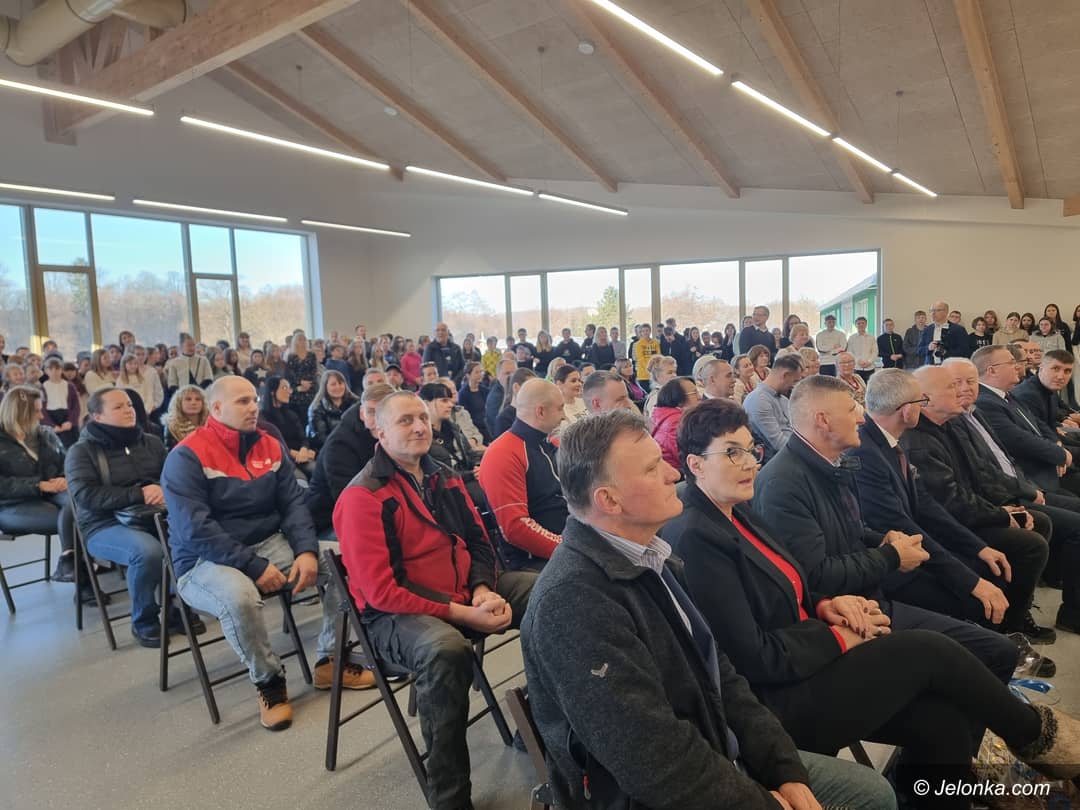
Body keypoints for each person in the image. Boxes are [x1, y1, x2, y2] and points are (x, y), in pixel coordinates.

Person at [663, 398, 1080, 808]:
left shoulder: (736, 508)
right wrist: (838, 636)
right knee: (928, 650)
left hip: (806, 654)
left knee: (944, 722)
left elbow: (793, 583)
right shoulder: (698, 536)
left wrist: (827, 606)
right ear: (695, 464)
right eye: (731, 453)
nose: (749, 462)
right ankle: (1040, 739)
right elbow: (750, 658)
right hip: (776, 700)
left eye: (749, 449)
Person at [522, 409, 900, 810]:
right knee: (871, 796)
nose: (673, 474)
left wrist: (782, 768)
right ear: (609, 500)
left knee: (872, 792)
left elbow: (721, 677)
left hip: (717, 753)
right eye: (653, 468)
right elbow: (653, 761)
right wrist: (763, 802)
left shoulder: (655, 560)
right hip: (662, 793)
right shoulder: (572, 603)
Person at [334, 391, 536, 810]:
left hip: (464, 593)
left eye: (423, 418)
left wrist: (482, 590)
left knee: (547, 595)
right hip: (392, 615)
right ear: (380, 432)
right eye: (405, 421)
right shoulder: (362, 496)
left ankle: (537, 720)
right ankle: (450, 798)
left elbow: (480, 543)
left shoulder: (442, 475)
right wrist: (464, 612)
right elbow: (382, 591)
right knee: (446, 650)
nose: (419, 427)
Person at [752, 375, 1019, 684]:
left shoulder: (830, 463)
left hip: (867, 594)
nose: (861, 416)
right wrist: (891, 555)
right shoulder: (784, 483)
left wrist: (882, 540)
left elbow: (851, 530)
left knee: (991, 640)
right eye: (851, 408)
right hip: (848, 613)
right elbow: (816, 575)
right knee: (994, 650)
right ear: (823, 420)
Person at [162, 377, 370, 731]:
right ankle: (269, 682)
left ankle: (330, 660)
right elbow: (195, 529)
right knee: (240, 598)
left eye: (254, 400)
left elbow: (294, 506)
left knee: (345, 562)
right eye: (242, 401)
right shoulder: (186, 456)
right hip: (202, 560)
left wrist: (306, 550)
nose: (253, 408)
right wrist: (255, 566)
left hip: (268, 543)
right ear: (217, 409)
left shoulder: (269, 445)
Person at [863, 368, 1054, 645]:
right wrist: (970, 581)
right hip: (892, 562)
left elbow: (926, 504)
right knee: (979, 592)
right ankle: (1000, 645)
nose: (858, 418)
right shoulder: (873, 451)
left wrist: (978, 547)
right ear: (907, 410)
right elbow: (902, 522)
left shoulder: (890, 442)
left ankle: (1005, 640)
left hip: (916, 542)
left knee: (992, 567)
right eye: (920, 401)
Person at [65, 388, 197, 648]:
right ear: (97, 416)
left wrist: (162, 489)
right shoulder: (81, 452)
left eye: (129, 405)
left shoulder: (151, 442)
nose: (129, 410)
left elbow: (173, 478)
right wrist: (140, 493)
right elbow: (85, 496)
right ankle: (144, 619)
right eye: (118, 407)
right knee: (147, 552)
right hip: (103, 524)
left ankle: (175, 605)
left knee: (192, 536)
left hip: (154, 516)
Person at [478, 379, 567, 572]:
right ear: (541, 412)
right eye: (560, 408)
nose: (564, 416)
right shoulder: (502, 454)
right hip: (535, 562)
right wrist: (569, 548)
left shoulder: (549, 444)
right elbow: (516, 528)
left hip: (567, 543)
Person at [0, 385, 78, 595]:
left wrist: (63, 478)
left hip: (52, 494)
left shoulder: (44, 434)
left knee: (82, 505)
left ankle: (71, 562)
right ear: (18, 413)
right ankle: (85, 576)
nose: (41, 416)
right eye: (36, 411)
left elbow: (66, 462)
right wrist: (38, 485)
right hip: (12, 505)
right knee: (75, 518)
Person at [973, 345, 1080, 496]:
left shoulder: (1006, 395)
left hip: (1046, 466)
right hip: (1031, 477)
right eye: (1011, 363)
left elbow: (1039, 425)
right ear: (992, 370)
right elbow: (1019, 439)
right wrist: (1060, 453)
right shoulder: (985, 402)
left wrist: (1057, 446)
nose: (1017, 366)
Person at [305, 384, 393, 533]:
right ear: (362, 413)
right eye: (371, 412)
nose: (378, 420)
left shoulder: (389, 435)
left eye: (385, 413)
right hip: (328, 520)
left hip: (374, 509)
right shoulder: (340, 445)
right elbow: (349, 501)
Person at [742, 353, 803, 462]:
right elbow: (778, 443)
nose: (794, 386)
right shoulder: (759, 400)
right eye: (794, 381)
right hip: (777, 460)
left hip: (791, 454)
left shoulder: (782, 399)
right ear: (785, 375)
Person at [259, 375, 315, 479]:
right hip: (281, 460)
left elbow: (303, 437)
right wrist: (294, 453)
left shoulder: (291, 414)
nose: (289, 391)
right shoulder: (263, 418)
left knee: (318, 469)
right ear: (272, 392)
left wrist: (304, 449)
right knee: (301, 478)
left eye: (289, 388)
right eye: (284, 388)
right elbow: (272, 445)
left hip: (300, 456)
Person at [418, 382, 480, 473]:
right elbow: (440, 474)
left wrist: (478, 466)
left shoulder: (453, 428)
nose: (451, 405)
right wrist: (472, 474)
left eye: (450, 401)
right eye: (444, 401)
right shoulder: (422, 437)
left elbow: (470, 454)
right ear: (426, 404)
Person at [651, 376, 699, 469]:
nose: (699, 397)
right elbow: (689, 457)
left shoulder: (666, 416)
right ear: (679, 399)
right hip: (676, 473)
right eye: (694, 393)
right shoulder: (675, 423)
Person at [306, 369, 357, 451]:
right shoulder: (316, 408)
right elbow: (321, 439)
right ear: (325, 387)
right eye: (333, 384)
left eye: (340, 383)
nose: (338, 387)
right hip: (330, 449)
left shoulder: (355, 403)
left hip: (354, 446)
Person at [40, 356, 80, 448]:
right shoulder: (43, 387)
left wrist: (71, 421)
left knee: (72, 446)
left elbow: (76, 406)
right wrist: (50, 425)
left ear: (62, 370)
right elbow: (41, 409)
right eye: (50, 369)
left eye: (57, 369)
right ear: (45, 371)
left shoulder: (69, 386)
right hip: (51, 418)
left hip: (67, 418)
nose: (54, 372)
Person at [118, 350, 164, 422]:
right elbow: (120, 397)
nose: (133, 366)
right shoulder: (120, 380)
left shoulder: (142, 378)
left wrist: (147, 409)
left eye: (135, 363)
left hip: (145, 410)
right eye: (130, 364)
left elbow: (149, 394)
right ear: (124, 365)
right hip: (130, 411)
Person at [284, 331, 319, 424]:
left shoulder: (311, 355)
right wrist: (300, 382)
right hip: (297, 387)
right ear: (295, 341)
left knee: (311, 412)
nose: (302, 341)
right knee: (299, 414)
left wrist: (308, 383)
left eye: (304, 339)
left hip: (310, 386)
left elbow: (314, 370)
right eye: (300, 339)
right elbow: (290, 373)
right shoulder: (291, 356)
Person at [918, 301, 969, 365]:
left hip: (951, 366)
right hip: (931, 366)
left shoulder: (958, 330)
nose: (933, 313)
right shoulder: (927, 329)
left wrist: (946, 352)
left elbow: (965, 351)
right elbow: (919, 350)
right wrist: (928, 347)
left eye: (937, 310)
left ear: (946, 312)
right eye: (931, 311)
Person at [493, 367, 537, 437]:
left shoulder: (532, 414)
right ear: (516, 387)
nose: (534, 393)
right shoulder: (503, 419)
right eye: (530, 388)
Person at [163, 384, 208, 451]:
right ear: (179, 403)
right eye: (188, 399)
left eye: (198, 399)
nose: (193, 403)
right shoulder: (172, 426)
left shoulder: (210, 423)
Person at [456, 361, 489, 443]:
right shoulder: (463, 394)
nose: (480, 374)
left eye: (481, 371)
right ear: (468, 375)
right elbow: (465, 416)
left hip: (486, 425)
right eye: (477, 372)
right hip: (474, 428)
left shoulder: (485, 390)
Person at [484, 357, 516, 439]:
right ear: (498, 376)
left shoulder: (512, 392)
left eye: (515, 373)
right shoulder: (495, 397)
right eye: (507, 373)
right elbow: (498, 428)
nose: (512, 376)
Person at [552, 363, 587, 432]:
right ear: (559, 384)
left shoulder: (584, 401)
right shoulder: (557, 410)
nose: (579, 384)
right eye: (573, 381)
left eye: (579, 380)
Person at [642, 354, 677, 420]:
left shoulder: (668, 393)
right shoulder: (656, 397)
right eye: (670, 373)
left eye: (675, 372)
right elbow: (654, 421)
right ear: (657, 375)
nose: (674, 375)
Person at [846, 316, 877, 382]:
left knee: (869, 386)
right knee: (857, 386)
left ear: (866, 324)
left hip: (870, 368)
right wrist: (858, 361)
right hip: (856, 368)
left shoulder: (871, 337)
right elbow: (850, 352)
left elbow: (875, 351)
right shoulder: (852, 338)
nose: (861, 325)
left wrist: (869, 361)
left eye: (863, 323)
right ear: (856, 325)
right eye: (859, 323)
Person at [632, 323, 660, 390]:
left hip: (654, 373)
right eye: (643, 331)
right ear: (641, 333)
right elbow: (641, 359)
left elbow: (658, 356)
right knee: (645, 393)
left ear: (650, 331)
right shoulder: (638, 344)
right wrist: (649, 368)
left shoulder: (656, 342)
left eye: (647, 330)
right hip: (643, 375)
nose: (645, 332)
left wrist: (654, 368)